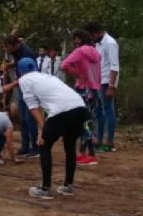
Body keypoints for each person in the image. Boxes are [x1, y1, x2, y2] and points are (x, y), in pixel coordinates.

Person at [7, 58, 88, 199]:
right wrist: (44, 129)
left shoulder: (24, 80)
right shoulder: (46, 77)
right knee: (69, 146)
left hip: (62, 111)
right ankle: (68, 185)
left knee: (44, 146)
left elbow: (33, 107)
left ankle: (45, 188)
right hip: (80, 108)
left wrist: (43, 130)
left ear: (20, 71)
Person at [62, 30, 101, 166]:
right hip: (94, 89)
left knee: (84, 122)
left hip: (83, 88)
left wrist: (77, 74)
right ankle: (84, 153)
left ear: (80, 39)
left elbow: (64, 65)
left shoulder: (79, 52)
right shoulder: (95, 51)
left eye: (77, 39)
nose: (75, 42)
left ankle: (90, 155)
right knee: (87, 120)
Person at [3, 33, 39, 158]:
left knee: (30, 118)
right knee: (22, 118)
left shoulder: (27, 53)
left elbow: (27, 77)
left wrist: (9, 86)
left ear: (15, 45)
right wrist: (10, 65)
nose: (7, 50)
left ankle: (35, 146)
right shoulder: (17, 52)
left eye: (8, 48)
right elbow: (17, 64)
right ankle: (25, 146)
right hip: (21, 87)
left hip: (29, 88)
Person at [86, 22, 120, 152]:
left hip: (106, 82)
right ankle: (99, 140)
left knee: (108, 111)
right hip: (98, 82)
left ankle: (109, 142)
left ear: (96, 32)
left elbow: (114, 66)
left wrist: (112, 85)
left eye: (91, 36)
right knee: (98, 111)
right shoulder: (98, 44)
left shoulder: (110, 43)